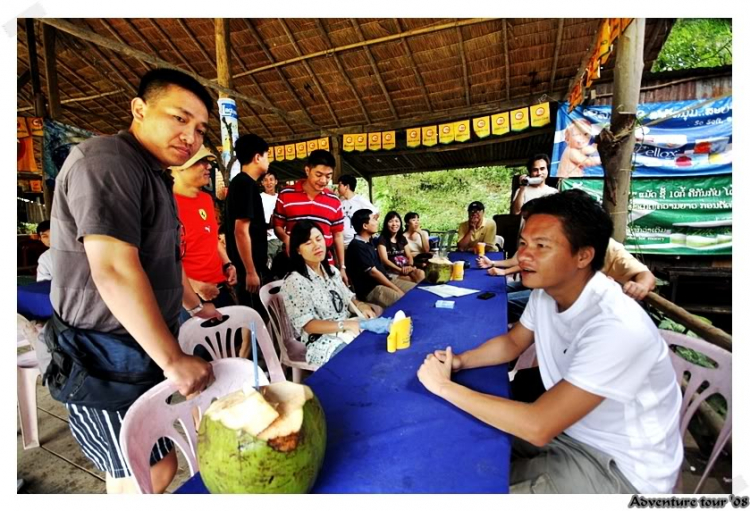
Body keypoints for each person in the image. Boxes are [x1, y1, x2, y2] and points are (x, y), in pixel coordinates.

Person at [417, 190, 683, 494]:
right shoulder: (547, 293)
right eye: (524, 244)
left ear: (584, 255)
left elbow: (538, 426)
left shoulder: (617, 326)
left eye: (542, 246)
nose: (525, 256)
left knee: (467, 483)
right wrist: (461, 361)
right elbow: (512, 344)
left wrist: (443, 385)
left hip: (621, 469)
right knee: (459, 440)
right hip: (571, 432)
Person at [45, 68, 222, 494]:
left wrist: (195, 307)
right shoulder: (107, 160)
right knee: (141, 469)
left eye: (200, 129)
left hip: (141, 345)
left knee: (156, 459)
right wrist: (173, 360)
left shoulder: (154, 175)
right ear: (139, 109)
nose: (191, 136)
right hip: (102, 352)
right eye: (179, 118)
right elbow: (114, 269)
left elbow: (164, 260)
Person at [281, 221, 379, 367]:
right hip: (322, 342)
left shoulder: (332, 271)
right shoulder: (295, 281)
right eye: (308, 243)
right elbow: (308, 325)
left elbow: (348, 297)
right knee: (360, 362)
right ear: (298, 250)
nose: (316, 245)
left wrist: (361, 305)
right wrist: (345, 324)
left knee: (380, 345)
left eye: (319, 239)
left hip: (348, 330)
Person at [171, 145, 238, 322]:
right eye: (199, 162)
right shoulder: (165, 205)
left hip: (219, 288)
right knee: (198, 348)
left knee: (233, 342)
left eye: (207, 161)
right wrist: (195, 286)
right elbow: (159, 259)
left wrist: (227, 264)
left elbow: (212, 238)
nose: (208, 166)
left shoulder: (206, 199)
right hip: (188, 297)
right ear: (178, 167)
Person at [273, 150, 348, 285]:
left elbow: (338, 235)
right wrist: (287, 239)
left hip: (324, 265)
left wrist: (342, 266)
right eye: (318, 174)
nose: (323, 181)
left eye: (328, 176)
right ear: (307, 170)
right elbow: (277, 225)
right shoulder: (286, 194)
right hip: (294, 264)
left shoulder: (334, 201)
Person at [224, 133, 270, 313]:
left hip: (248, 266)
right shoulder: (245, 184)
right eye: (267, 156)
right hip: (248, 268)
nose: (268, 162)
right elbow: (240, 231)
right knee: (256, 319)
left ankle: (247, 343)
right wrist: (250, 271)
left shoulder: (242, 183)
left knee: (252, 320)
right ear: (257, 157)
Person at [346, 209, 416, 309]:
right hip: (372, 288)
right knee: (404, 302)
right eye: (374, 220)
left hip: (386, 280)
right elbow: (374, 273)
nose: (377, 222)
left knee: (416, 291)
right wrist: (396, 289)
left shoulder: (370, 242)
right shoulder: (357, 246)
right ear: (365, 226)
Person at [377, 211, 425, 284]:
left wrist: (410, 266)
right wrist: (400, 270)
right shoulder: (382, 239)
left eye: (397, 221)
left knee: (420, 273)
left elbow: (409, 256)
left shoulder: (402, 238)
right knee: (411, 280)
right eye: (391, 221)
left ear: (400, 223)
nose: (394, 224)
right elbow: (384, 260)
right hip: (392, 271)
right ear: (386, 224)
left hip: (406, 268)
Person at [337, 174, 379, 247]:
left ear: (346, 186)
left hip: (355, 243)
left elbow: (376, 213)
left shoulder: (360, 200)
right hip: (341, 243)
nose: (337, 188)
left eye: (339, 185)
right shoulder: (339, 202)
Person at [260, 169, 283, 265]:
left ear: (276, 181)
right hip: (268, 240)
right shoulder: (259, 198)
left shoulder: (281, 197)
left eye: (271, 179)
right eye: (265, 180)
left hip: (282, 238)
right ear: (262, 183)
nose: (268, 182)